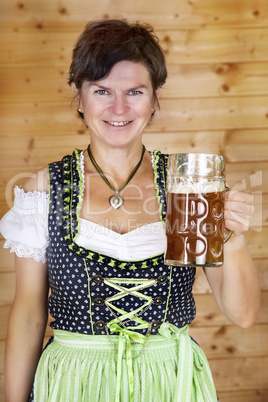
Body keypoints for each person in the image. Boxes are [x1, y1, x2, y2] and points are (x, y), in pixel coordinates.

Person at [0, 19, 261, 402]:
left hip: (169, 382)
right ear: (79, 94)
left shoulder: (188, 185)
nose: (118, 108)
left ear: (155, 97)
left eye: (135, 91)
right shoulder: (43, 191)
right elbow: (28, 316)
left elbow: (242, 315)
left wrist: (233, 241)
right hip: (75, 382)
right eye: (101, 90)